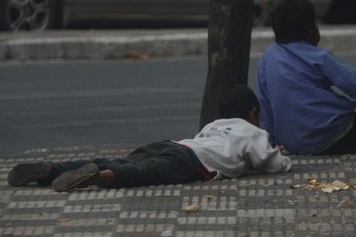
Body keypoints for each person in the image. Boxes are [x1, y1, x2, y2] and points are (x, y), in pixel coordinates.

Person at [7, 85, 292, 192]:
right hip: (190, 161)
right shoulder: (253, 131)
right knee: (139, 172)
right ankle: (95, 178)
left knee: (119, 159)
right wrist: (282, 157)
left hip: (175, 144)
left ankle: (51, 170)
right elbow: (268, 161)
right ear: (252, 113)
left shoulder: (214, 124)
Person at [256, 0, 356, 155]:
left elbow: (264, 108)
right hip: (336, 133)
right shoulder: (318, 57)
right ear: (311, 32)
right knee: (353, 125)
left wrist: (271, 146)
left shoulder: (266, 58)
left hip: (294, 145)